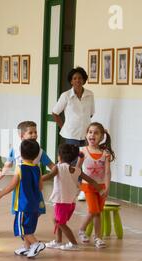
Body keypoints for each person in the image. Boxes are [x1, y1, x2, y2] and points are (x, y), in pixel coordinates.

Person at [42, 144, 102, 250]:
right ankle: (58, 241)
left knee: (59, 222)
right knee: (57, 220)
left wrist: (36, 179)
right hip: (70, 203)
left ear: (59, 156)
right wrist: (100, 190)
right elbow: (91, 181)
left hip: (61, 202)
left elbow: (49, 176)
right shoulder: (76, 170)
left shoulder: (58, 167)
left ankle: (74, 243)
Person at [0, 139, 46, 259]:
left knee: (21, 228)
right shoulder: (37, 169)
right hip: (35, 205)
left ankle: (36, 244)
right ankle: (27, 248)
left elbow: (12, 185)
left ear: (21, 153)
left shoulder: (20, 168)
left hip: (23, 205)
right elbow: (40, 187)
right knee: (29, 227)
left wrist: (0, 194)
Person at [52, 67, 95, 201]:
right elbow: (55, 112)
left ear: (84, 80)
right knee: (71, 162)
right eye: (75, 78)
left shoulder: (90, 94)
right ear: (71, 81)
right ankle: (69, 187)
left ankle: (83, 189)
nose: (77, 81)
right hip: (71, 134)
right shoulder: (66, 96)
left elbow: (91, 113)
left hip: (85, 135)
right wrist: (63, 126)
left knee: (84, 161)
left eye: (80, 78)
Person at [77, 122, 115, 249]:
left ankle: (98, 237)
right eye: (90, 132)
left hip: (101, 187)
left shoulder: (105, 154)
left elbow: (107, 172)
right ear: (86, 135)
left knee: (98, 212)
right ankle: (81, 230)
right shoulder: (82, 152)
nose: (92, 135)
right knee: (93, 210)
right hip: (88, 186)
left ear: (102, 136)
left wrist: (107, 187)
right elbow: (77, 169)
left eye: (96, 133)